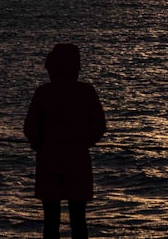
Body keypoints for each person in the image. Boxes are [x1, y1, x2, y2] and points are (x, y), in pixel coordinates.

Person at [24, 43, 107, 239]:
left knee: (50, 221)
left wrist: (39, 143)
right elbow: (99, 127)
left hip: (49, 160)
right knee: (79, 220)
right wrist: (84, 142)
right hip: (78, 160)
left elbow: (31, 129)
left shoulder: (44, 93)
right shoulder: (86, 92)